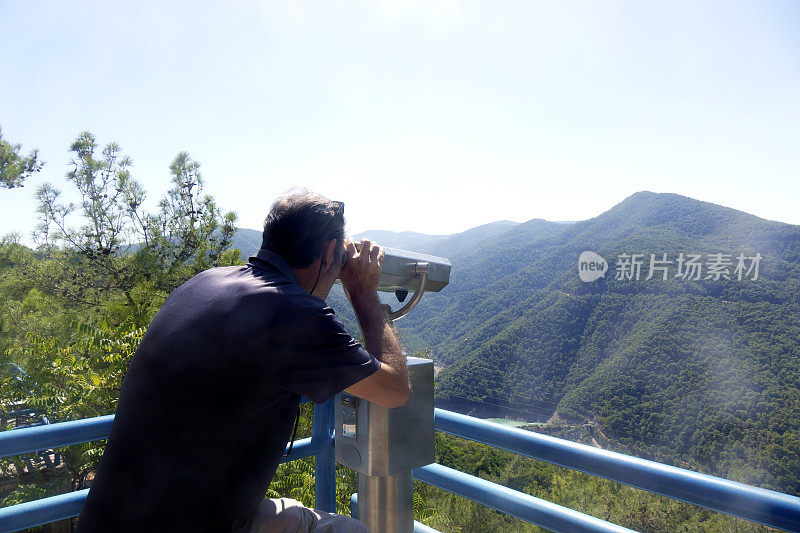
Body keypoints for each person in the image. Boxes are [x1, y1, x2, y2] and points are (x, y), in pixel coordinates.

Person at [75, 192, 410, 532]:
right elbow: (395, 389)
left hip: (106, 517)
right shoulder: (294, 313)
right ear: (327, 253)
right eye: (338, 259)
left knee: (294, 512)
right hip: (201, 523)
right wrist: (365, 292)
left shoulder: (204, 282)